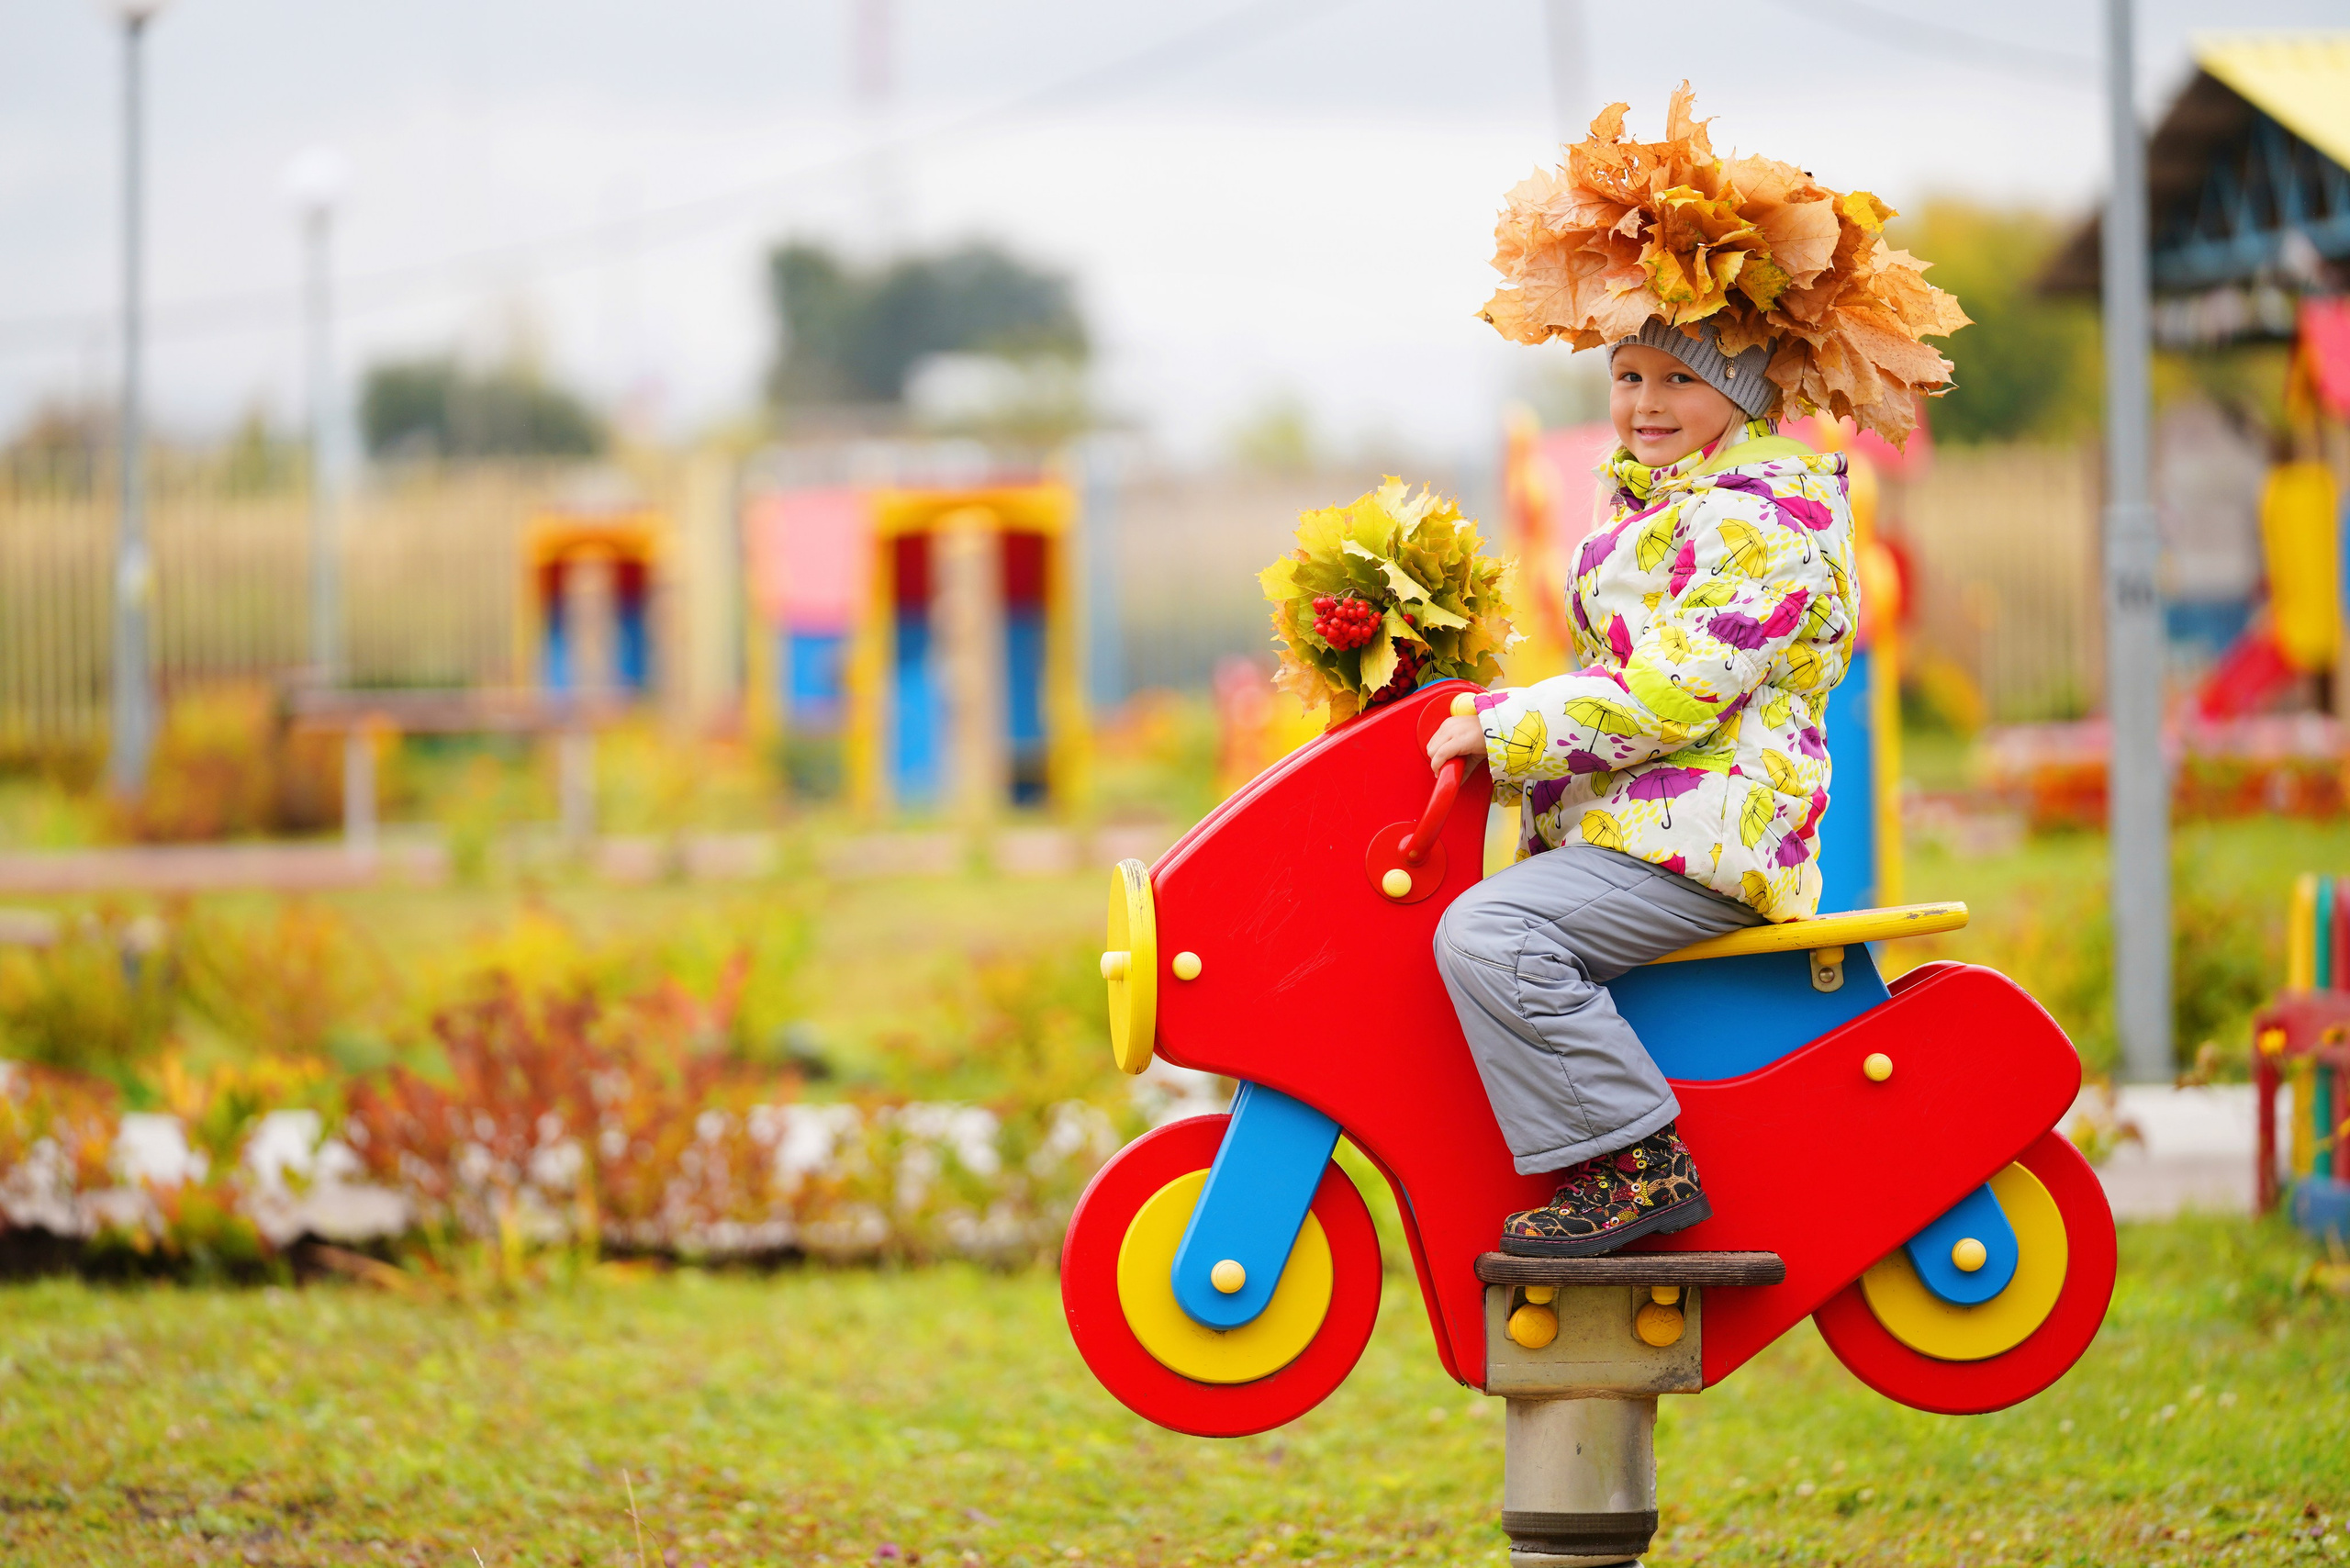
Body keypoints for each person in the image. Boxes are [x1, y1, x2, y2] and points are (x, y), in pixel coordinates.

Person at [1431, 86, 1964, 1257]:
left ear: (1743, 395)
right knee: (1481, 920)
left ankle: (1632, 1167)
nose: (1644, 403)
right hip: (1652, 832)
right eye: (1628, 377)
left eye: (1678, 379)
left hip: (1707, 842)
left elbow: (1671, 692)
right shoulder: (1663, 511)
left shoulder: (1761, 521)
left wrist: (1511, 729)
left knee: (1491, 934)